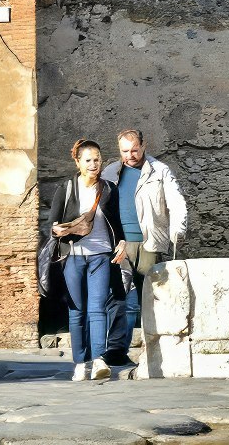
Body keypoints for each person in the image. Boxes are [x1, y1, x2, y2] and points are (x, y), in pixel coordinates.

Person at [100, 129, 188, 367]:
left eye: (134, 150)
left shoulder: (160, 170)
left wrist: (178, 227)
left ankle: (156, 349)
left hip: (150, 242)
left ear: (144, 145)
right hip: (120, 244)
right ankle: (117, 350)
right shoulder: (110, 172)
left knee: (150, 297)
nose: (130, 155)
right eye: (125, 151)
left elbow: (176, 200)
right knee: (121, 298)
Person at [46, 138, 128, 381]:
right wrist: (58, 231)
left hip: (101, 255)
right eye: (88, 160)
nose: (94, 164)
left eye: (97, 159)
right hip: (73, 257)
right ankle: (81, 363)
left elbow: (118, 223)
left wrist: (122, 243)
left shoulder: (109, 189)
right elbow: (52, 225)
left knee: (97, 308)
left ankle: (100, 359)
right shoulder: (67, 188)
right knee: (77, 311)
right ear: (78, 162)